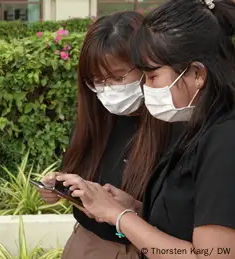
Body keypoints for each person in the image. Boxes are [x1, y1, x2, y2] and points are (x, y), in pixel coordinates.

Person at [57, 0, 235, 258]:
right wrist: (135, 207)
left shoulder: (224, 141)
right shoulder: (204, 129)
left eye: (151, 77)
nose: (146, 88)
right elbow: (185, 219)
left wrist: (119, 216)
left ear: (197, 73)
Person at [37, 11, 182, 259]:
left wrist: (130, 210)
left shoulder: (177, 124)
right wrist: (60, 186)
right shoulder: (96, 120)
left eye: (116, 77)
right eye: (97, 81)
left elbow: (185, 219)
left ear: (148, 65)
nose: (107, 90)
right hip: (86, 245)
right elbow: (79, 175)